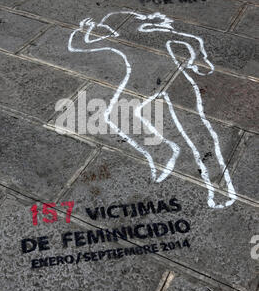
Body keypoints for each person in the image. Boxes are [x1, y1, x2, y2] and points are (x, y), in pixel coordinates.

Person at [68, 11, 236, 209]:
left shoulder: (140, 35)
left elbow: (189, 40)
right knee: (195, 128)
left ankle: (172, 155)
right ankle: (179, 160)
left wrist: (86, 29)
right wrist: (198, 61)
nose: (108, 31)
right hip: (163, 82)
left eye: (108, 27)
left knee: (122, 115)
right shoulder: (128, 38)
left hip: (157, 83)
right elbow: (191, 41)